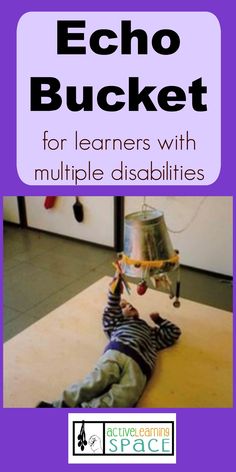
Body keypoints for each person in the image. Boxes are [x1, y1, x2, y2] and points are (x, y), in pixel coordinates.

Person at [37, 277, 181, 408]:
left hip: (140, 366)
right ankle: (59, 406)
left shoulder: (151, 332)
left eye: (130, 305)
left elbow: (173, 334)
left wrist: (159, 321)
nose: (129, 306)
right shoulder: (116, 324)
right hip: (117, 352)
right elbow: (112, 310)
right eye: (123, 307)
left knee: (125, 397)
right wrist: (114, 293)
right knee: (95, 381)